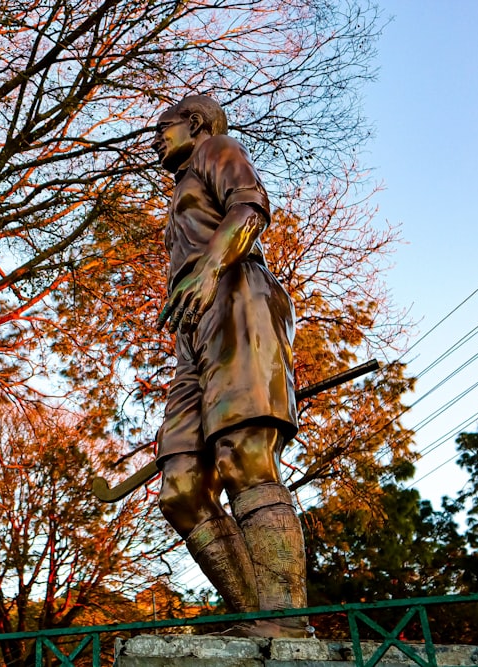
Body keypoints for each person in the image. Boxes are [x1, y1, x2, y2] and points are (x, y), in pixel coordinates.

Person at [151, 95, 306, 638]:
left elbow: (249, 206)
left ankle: (285, 620)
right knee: (181, 485)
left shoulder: (216, 148)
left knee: (243, 454)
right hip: (192, 330)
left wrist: (212, 267)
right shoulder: (180, 187)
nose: (155, 139)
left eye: (162, 127)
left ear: (193, 123)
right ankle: (255, 617)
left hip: (237, 295)